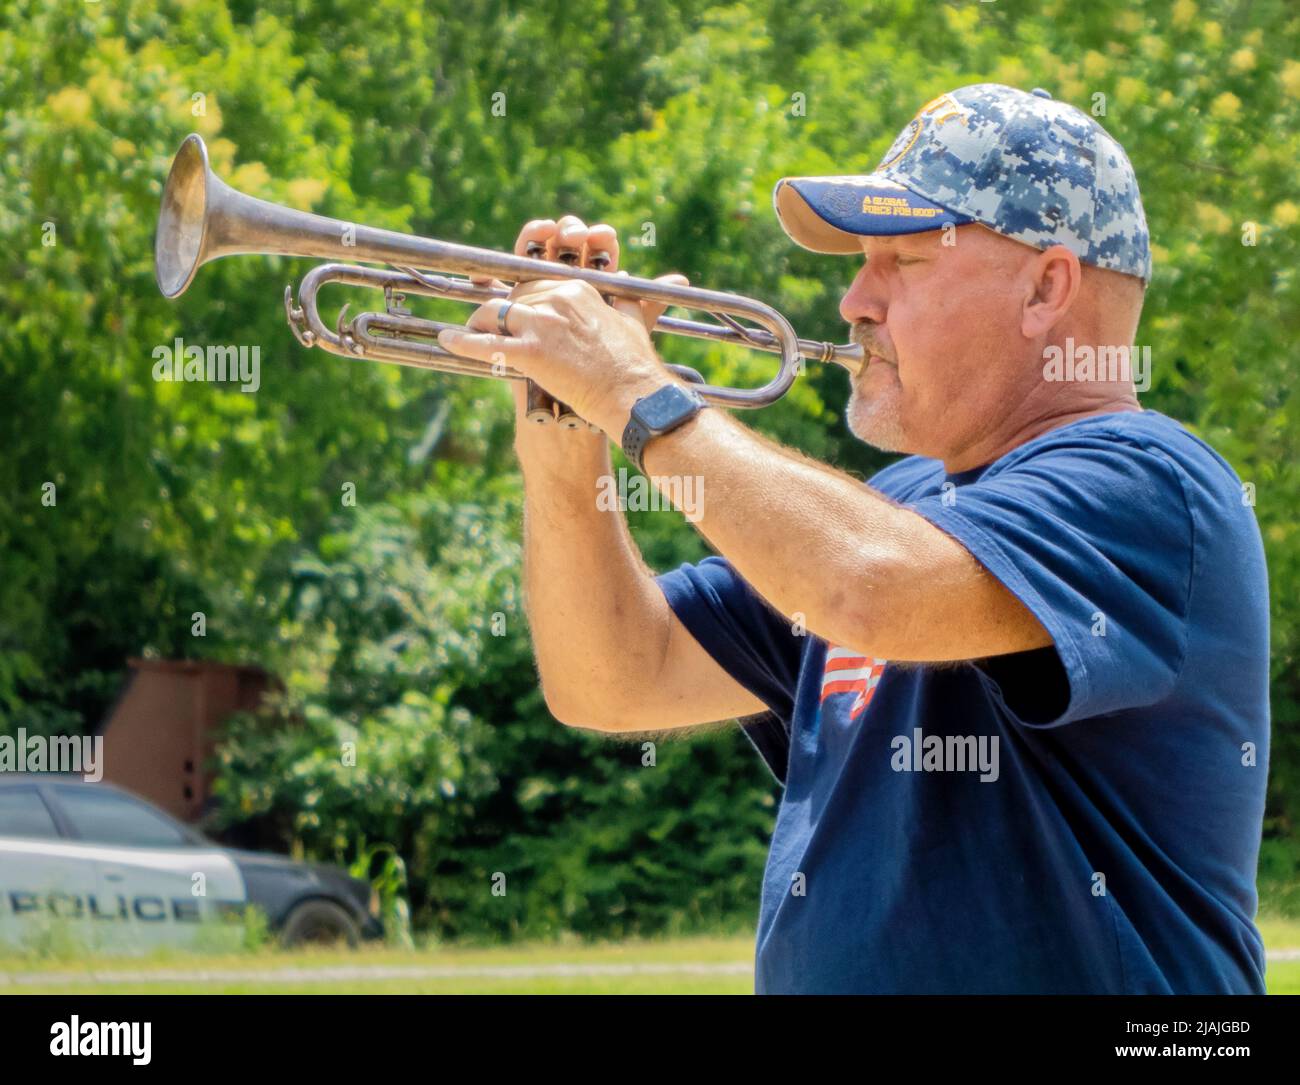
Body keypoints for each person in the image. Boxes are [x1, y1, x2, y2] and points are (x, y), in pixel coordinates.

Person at [439, 84, 1270, 994]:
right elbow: (611, 675)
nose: (852, 302)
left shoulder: (1146, 480)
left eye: (902, 261)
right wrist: (566, 430)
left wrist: (635, 390)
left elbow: (866, 589)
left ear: (1046, 288)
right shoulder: (904, 502)